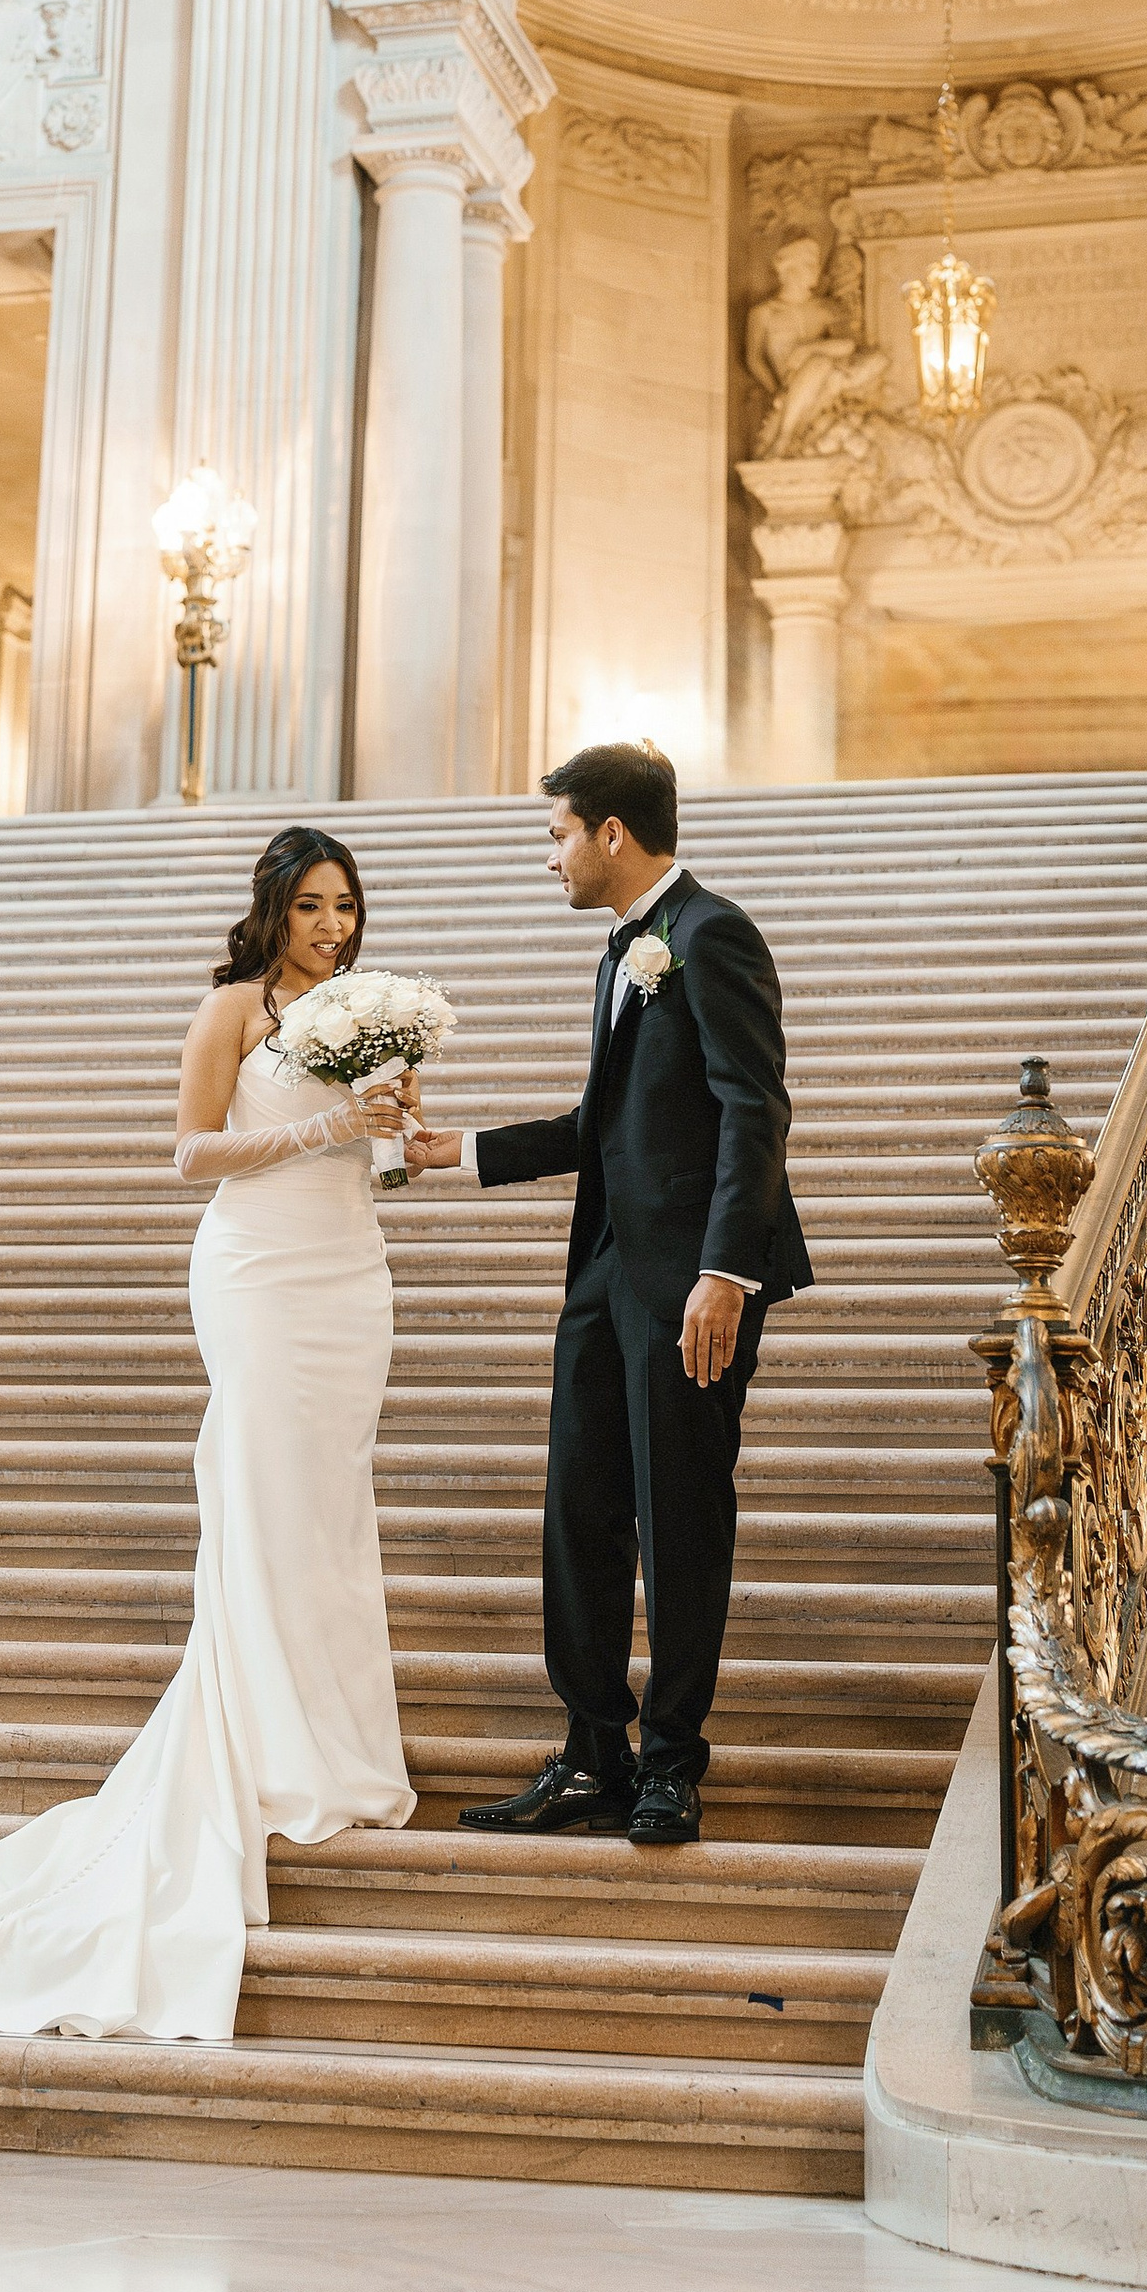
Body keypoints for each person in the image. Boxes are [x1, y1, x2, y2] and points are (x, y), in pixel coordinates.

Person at [0, 826, 415, 2041]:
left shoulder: (368, 1009)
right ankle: (265, 1745)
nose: (334, 927)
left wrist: (393, 1132)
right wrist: (320, 1128)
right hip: (258, 1272)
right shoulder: (231, 1007)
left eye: (347, 907)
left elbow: (383, 1165)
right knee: (259, 1498)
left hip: (349, 1274)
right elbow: (191, 1149)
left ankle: (340, 1747)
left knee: (327, 1506)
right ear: (273, 909)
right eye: (313, 907)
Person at [402, 742, 812, 1848]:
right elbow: (602, 1128)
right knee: (578, 1511)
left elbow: (753, 1109)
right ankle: (594, 1750)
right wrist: (458, 1150)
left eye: (555, 834)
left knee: (679, 1516)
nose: (550, 858)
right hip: (602, 1279)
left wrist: (724, 1274)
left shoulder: (709, 934)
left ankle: (672, 1764)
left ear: (610, 833)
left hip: (688, 1285)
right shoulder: (623, 952)